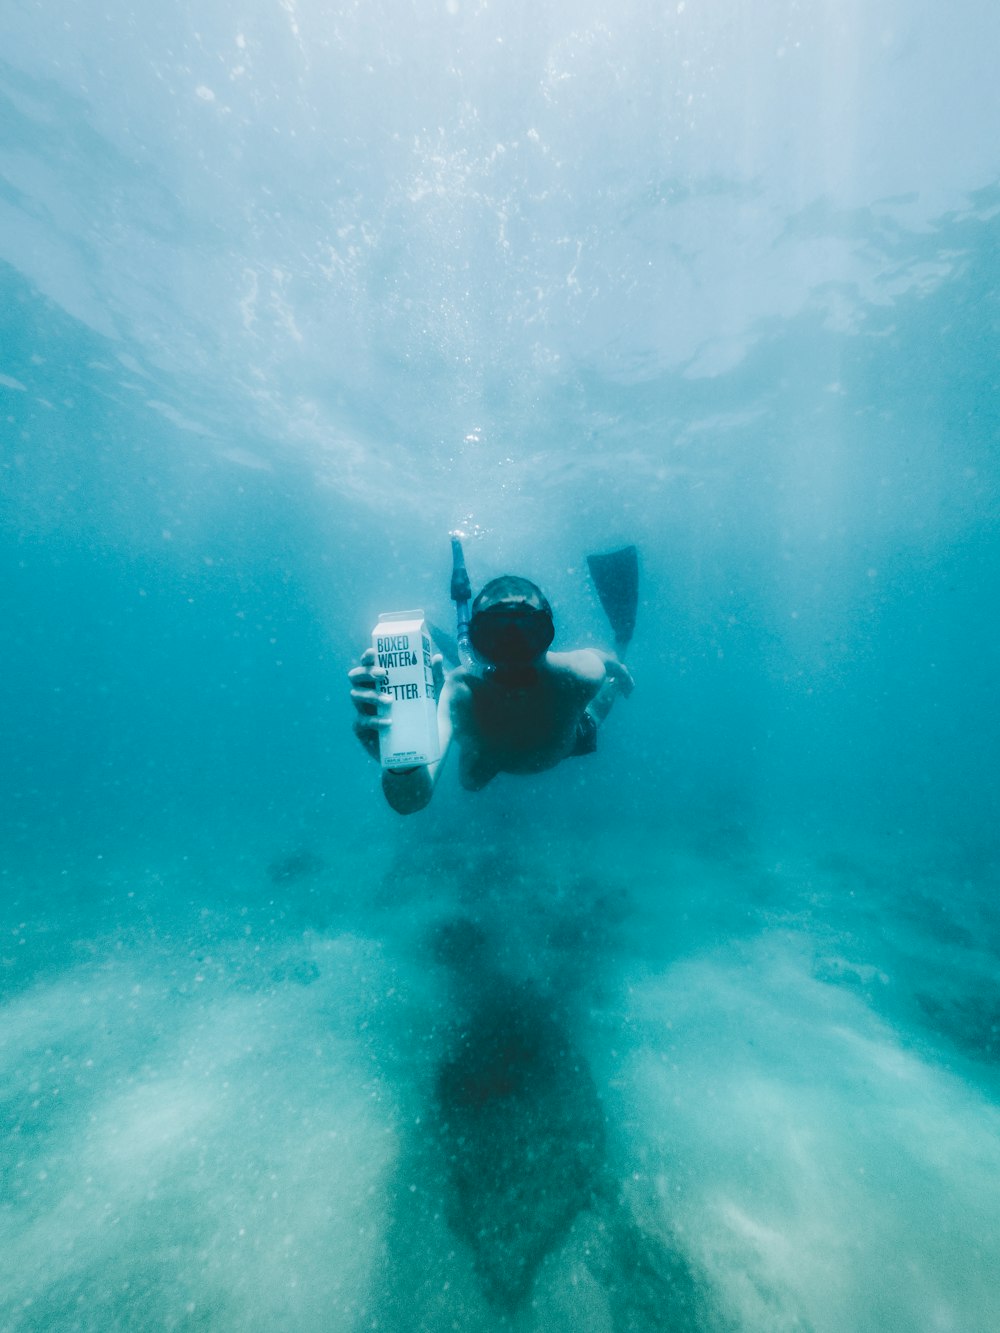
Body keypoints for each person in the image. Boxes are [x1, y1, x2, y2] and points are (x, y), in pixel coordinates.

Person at [348, 573, 634, 814]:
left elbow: (600, 659)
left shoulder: (580, 673)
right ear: (474, 641)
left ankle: (623, 638)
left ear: (548, 634)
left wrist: (618, 668)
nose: (512, 654)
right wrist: (401, 759)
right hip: (489, 758)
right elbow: (410, 800)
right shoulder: (458, 693)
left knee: (601, 705)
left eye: (527, 631)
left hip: (566, 742)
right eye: (494, 635)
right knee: (470, 782)